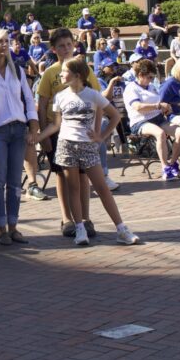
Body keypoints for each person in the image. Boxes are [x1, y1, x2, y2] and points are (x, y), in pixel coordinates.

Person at [37, 57, 139, 247]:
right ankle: (80, 229)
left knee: (102, 188)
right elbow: (56, 125)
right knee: (73, 188)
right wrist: (38, 138)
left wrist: (101, 136)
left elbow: (115, 115)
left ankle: (121, 229)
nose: (61, 74)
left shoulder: (92, 95)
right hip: (66, 145)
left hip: (87, 146)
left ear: (77, 75)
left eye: (65, 71)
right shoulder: (60, 96)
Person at [36, 28, 108, 238]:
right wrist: (43, 135)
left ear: (74, 45)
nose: (66, 49)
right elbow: (42, 104)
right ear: (53, 49)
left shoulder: (84, 69)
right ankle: (67, 218)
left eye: (69, 44)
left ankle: (85, 218)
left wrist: (96, 131)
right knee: (61, 174)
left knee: (83, 176)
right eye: (61, 46)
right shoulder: (50, 72)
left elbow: (97, 99)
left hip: (82, 130)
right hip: (58, 130)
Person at [0, 29, 39, 245]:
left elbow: (28, 99)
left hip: (18, 130)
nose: (4, 44)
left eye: (6, 41)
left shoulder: (17, 70)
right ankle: (1, 228)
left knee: (14, 182)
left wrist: (33, 125)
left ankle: (13, 227)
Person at [123, 58, 180, 180]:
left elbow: (158, 103)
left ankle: (172, 163)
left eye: (153, 77)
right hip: (140, 121)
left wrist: (165, 108)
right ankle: (165, 168)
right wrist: (158, 106)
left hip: (158, 118)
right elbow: (138, 107)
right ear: (140, 75)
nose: (151, 80)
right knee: (160, 133)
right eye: (149, 77)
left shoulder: (151, 87)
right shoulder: (131, 88)